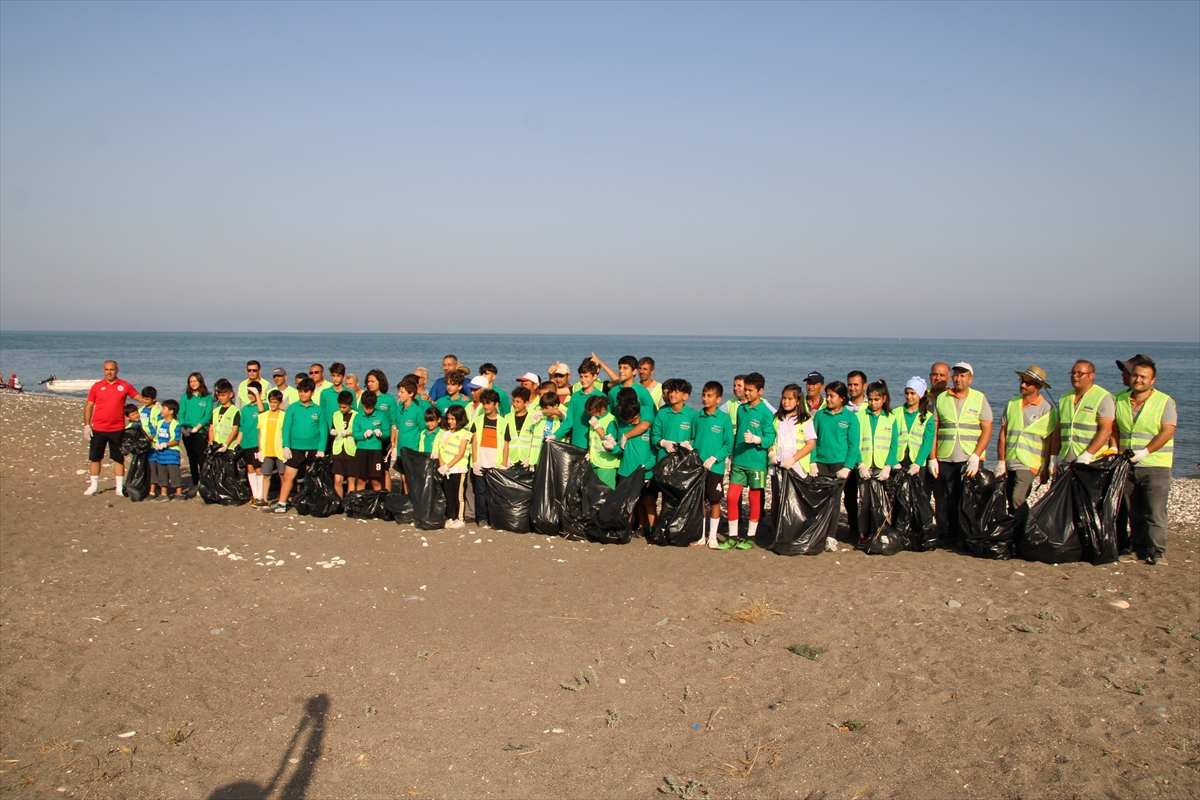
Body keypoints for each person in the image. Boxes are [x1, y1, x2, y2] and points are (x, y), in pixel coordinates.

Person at [1115, 360, 1176, 566]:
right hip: (1128, 465)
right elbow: (1115, 429)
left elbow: (1168, 431)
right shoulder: (1120, 399)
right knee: (1133, 510)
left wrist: (1146, 451)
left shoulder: (1164, 401)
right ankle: (1138, 549)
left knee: (1155, 511)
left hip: (1156, 465)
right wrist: (1115, 452)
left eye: (1143, 377)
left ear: (1153, 380)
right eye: (1135, 375)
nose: (1138, 380)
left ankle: (1157, 551)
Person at [932, 362, 993, 544]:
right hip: (946, 456)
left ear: (970, 379)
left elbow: (987, 428)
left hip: (969, 457)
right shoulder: (942, 398)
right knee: (950, 498)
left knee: (971, 498)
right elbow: (934, 428)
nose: (959, 378)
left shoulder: (979, 398)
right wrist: (933, 457)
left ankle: (970, 534)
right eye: (956, 375)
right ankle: (951, 534)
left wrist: (976, 455)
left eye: (963, 375)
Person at [721, 372, 774, 550]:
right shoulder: (741, 409)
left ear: (761, 391)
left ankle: (750, 537)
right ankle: (733, 536)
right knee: (732, 497)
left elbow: (770, 437)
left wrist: (758, 440)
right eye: (746, 389)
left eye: (750, 390)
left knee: (754, 499)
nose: (747, 393)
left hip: (757, 463)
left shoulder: (766, 412)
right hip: (739, 460)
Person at [996, 366, 1057, 513]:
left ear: (1038, 387)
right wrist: (1001, 461)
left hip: (1029, 462)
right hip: (1011, 459)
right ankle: (1014, 530)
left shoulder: (1046, 409)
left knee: (1018, 497)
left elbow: (1049, 440)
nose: (1023, 385)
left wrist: (1047, 466)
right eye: (1022, 381)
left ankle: (1024, 530)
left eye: (1028, 383)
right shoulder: (1012, 404)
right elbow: (1003, 433)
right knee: (1009, 498)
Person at [810, 380, 860, 552]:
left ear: (842, 399)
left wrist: (848, 466)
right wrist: (812, 461)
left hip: (839, 465)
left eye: (832, 396)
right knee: (819, 499)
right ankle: (818, 532)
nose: (828, 399)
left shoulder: (850, 418)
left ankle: (831, 536)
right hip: (822, 463)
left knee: (835, 500)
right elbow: (813, 439)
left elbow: (853, 445)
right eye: (828, 396)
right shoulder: (821, 415)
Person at [855, 380, 899, 542]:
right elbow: (855, 443)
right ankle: (862, 533)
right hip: (865, 465)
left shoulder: (891, 418)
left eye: (876, 400)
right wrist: (860, 464)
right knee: (864, 501)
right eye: (870, 399)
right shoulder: (860, 416)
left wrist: (889, 465)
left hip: (882, 466)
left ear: (884, 399)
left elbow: (895, 444)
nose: (873, 403)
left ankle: (882, 531)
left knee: (883, 501)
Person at [272, 378, 325, 513]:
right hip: (295, 448)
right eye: (300, 391)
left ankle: (313, 503)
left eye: (306, 391)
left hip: (313, 449)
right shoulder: (293, 407)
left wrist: (321, 449)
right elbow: (286, 428)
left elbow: (323, 429)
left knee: (313, 477)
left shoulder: (318, 410)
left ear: (312, 392)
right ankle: (282, 503)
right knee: (288, 476)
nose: (302, 394)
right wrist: (286, 446)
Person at [694, 381, 734, 548]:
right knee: (700, 501)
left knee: (714, 501)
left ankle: (713, 536)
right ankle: (701, 535)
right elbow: (693, 437)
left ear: (718, 399)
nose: (705, 398)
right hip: (699, 466)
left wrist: (714, 458)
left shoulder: (724, 419)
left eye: (709, 395)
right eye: (703, 395)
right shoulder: (698, 417)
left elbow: (728, 444)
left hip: (715, 468)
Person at [1057, 360, 1115, 466]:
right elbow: (1058, 430)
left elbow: (1106, 429)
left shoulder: (1102, 397)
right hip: (1067, 458)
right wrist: (1053, 458)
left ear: (1091, 376)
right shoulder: (1065, 398)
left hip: (1093, 460)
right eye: (1073, 373)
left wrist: (1087, 454)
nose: (1075, 376)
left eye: (1080, 373)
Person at [469, 389, 508, 526]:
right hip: (481, 462)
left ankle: (495, 520)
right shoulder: (478, 420)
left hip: (495, 464)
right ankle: (482, 519)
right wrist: (475, 462)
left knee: (495, 494)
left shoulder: (503, 422)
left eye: (488, 403)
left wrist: (503, 464)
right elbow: (474, 442)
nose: (486, 406)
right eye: (484, 404)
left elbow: (506, 444)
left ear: (496, 404)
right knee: (480, 493)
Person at [551, 359, 606, 449]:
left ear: (595, 376)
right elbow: (569, 421)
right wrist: (555, 436)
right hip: (575, 445)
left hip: (594, 447)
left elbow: (605, 423)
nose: (583, 380)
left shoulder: (601, 397)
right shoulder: (575, 396)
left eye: (586, 376)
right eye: (581, 376)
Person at [893, 377, 935, 477]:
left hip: (916, 462)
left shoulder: (927, 417)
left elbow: (927, 442)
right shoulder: (895, 413)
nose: (908, 396)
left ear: (920, 395)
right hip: (898, 461)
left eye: (912, 393)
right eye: (906, 393)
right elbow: (891, 439)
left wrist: (918, 463)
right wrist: (893, 461)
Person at [437, 405, 471, 529]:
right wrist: (442, 465)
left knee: (458, 495)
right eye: (449, 419)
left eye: (453, 419)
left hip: (458, 468)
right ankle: (450, 517)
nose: (450, 421)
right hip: (446, 469)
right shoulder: (445, 433)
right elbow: (440, 448)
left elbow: (461, 453)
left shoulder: (465, 434)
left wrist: (448, 465)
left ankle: (460, 518)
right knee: (449, 495)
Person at [651, 379, 699, 461]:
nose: (672, 395)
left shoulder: (693, 415)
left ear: (685, 396)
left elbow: (697, 438)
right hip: (663, 461)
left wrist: (687, 443)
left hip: (683, 462)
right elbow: (654, 436)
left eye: (676, 392)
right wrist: (663, 442)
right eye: (671, 391)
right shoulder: (662, 412)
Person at [364, 370, 397, 490]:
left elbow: (394, 422)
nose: (370, 384)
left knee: (384, 469)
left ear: (380, 382)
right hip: (368, 441)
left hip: (384, 440)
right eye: (368, 381)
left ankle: (386, 496)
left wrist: (393, 442)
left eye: (373, 381)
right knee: (368, 471)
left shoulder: (388, 399)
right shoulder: (365, 397)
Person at [179, 372, 212, 488]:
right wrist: (183, 426)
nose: (193, 384)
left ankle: (204, 483)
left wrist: (197, 428)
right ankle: (194, 483)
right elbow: (181, 413)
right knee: (191, 458)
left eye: (195, 381)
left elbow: (207, 415)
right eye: (190, 382)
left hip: (200, 432)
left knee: (202, 458)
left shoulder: (207, 397)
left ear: (200, 382)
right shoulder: (186, 396)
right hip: (187, 432)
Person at [149, 399, 184, 501]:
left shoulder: (175, 424)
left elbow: (176, 440)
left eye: (164, 408)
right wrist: (157, 443)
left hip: (172, 455)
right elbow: (156, 432)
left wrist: (165, 444)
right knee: (162, 474)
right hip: (161, 455)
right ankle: (163, 494)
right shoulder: (160, 422)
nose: (162, 410)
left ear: (171, 411)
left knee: (174, 474)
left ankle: (179, 494)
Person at [353, 391, 389, 491]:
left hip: (375, 451)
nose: (368, 410)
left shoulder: (381, 416)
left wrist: (382, 434)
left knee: (375, 480)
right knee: (361, 480)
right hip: (361, 450)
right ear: (362, 405)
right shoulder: (358, 417)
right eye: (366, 408)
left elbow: (387, 433)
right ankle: (360, 504)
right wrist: (363, 434)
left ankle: (379, 504)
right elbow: (355, 434)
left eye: (371, 408)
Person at [585, 394, 621, 489]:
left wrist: (597, 427)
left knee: (605, 494)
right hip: (595, 461)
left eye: (594, 413)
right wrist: (588, 453)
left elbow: (611, 443)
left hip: (606, 465)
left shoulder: (611, 421)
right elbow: (592, 440)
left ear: (603, 410)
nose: (592, 416)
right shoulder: (595, 419)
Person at [239, 381, 266, 505]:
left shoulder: (264, 405)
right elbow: (242, 427)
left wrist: (257, 395)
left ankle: (260, 496)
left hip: (257, 443)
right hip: (246, 443)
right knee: (250, 468)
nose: (250, 395)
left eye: (253, 393)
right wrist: (237, 443)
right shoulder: (245, 409)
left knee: (258, 469)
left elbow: (261, 410)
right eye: (249, 393)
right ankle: (254, 495)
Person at [258, 390, 287, 503]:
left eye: (275, 402)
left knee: (283, 476)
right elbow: (260, 433)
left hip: (280, 451)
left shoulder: (284, 416)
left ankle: (282, 498)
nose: (273, 404)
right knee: (266, 475)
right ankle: (264, 499)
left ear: (280, 402)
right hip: (267, 450)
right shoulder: (263, 416)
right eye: (271, 402)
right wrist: (260, 450)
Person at [329, 391, 359, 498]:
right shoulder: (336, 415)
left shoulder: (357, 415)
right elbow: (334, 428)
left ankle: (349, 503)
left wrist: (349, 433)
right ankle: (339, 502)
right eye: (340, 407)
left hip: (351, 450)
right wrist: (333, 432)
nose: (341, 409)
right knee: (337, 480)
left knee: (351, 479)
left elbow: (359, 433)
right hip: (338, 450)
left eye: (344, 407)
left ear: (350, 404)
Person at [208, 380, 240, 454]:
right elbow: (211, 428)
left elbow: (235, 430)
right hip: (216, 446)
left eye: (223, 395)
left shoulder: (235, 411)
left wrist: (226, 445)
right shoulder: (215, 411)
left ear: (230, 394)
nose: (221, 398)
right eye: (219, 395)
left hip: (229, 447)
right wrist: (211, 443)